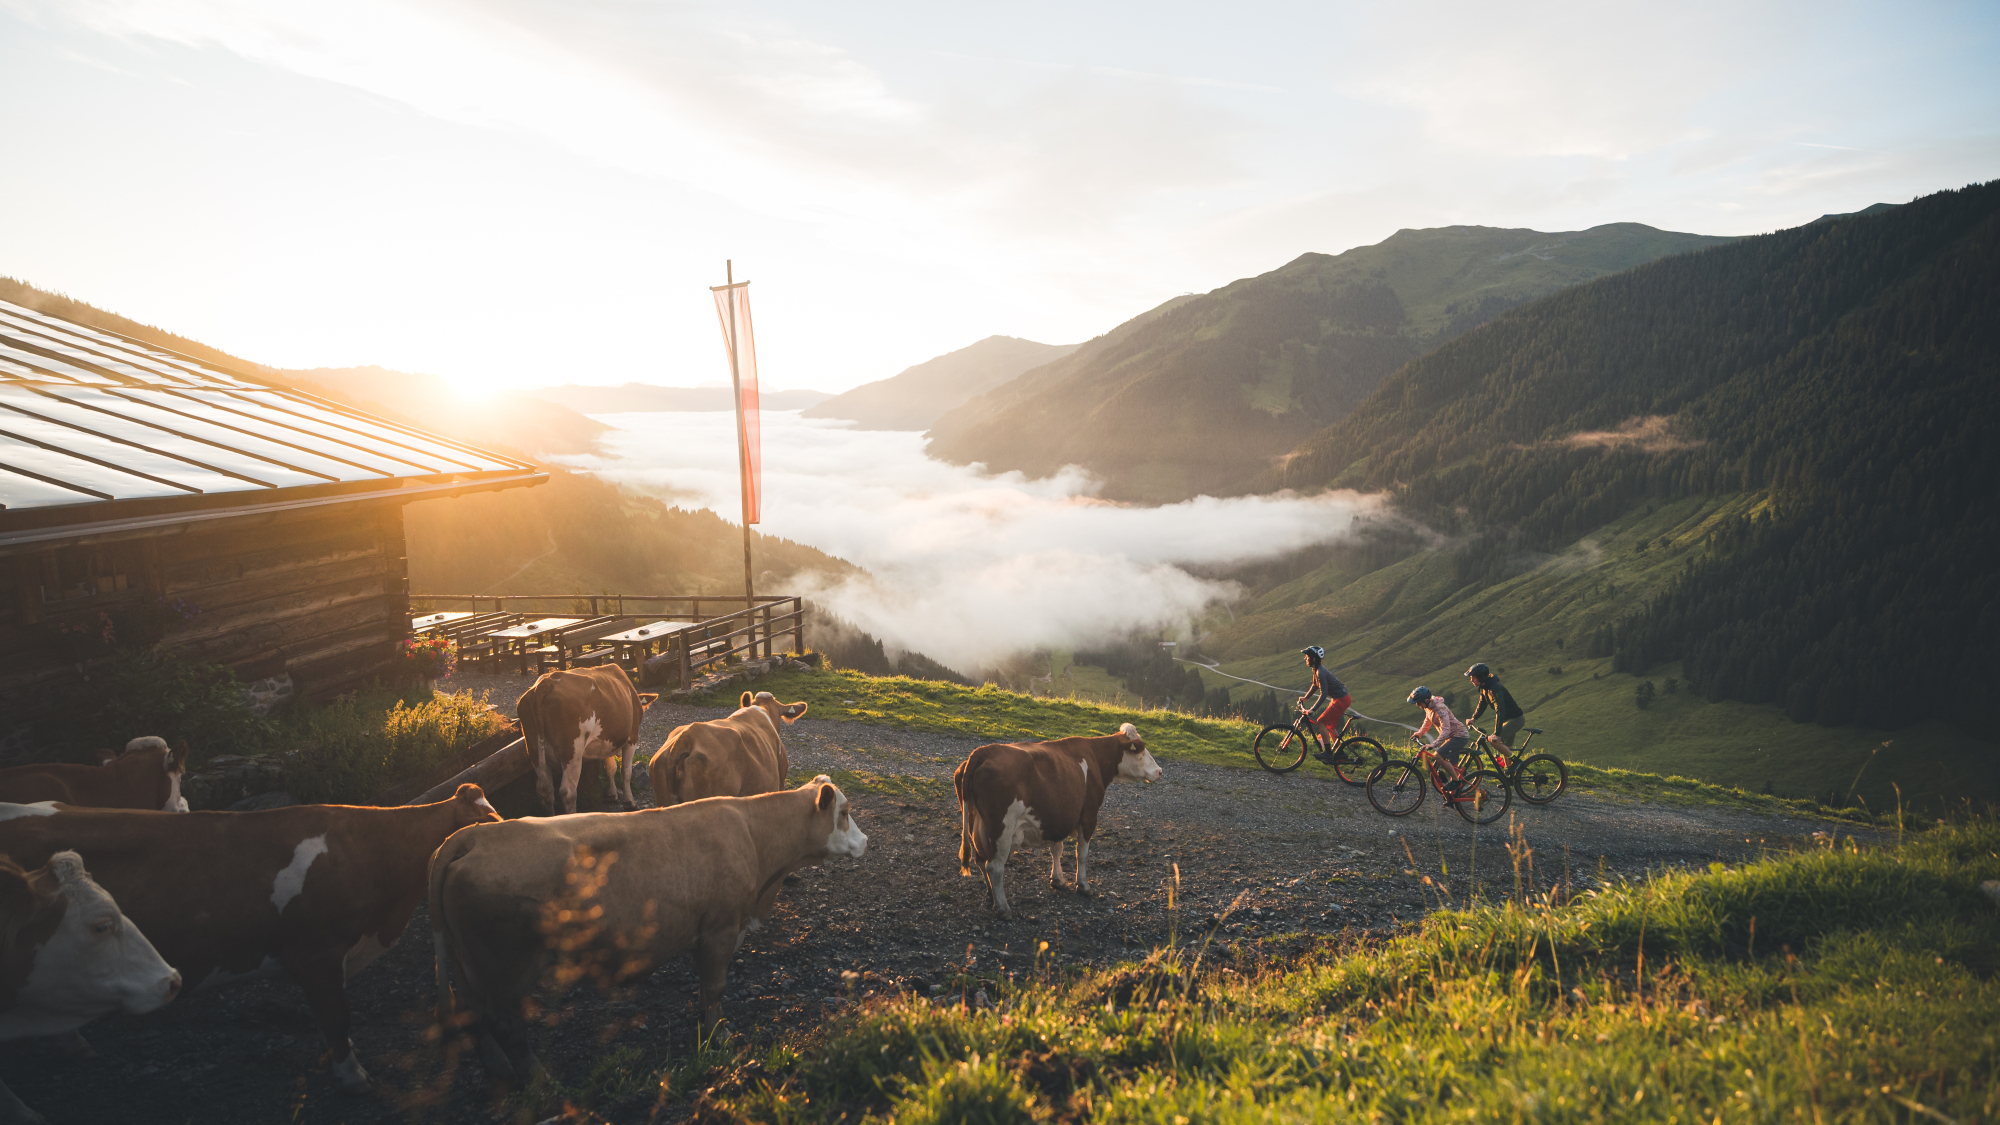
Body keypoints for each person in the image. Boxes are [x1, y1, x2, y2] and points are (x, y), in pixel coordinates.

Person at [1300, 646, 1352, 762]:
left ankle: (1328, 753)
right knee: (1330, 727)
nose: (1305, 658)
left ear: (1314, 658)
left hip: (1341, 700)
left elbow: (1323, 694)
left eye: (1307, 656)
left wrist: (1312, 709)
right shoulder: (1316, 669)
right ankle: (1341, 753)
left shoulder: (1320, 672)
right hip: (1339, 698)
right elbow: (1315, 685)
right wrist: (1305, 698)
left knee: (1321, 722)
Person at [1464, 663, 1525, 763]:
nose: (1471, 680)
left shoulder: (1495, 689)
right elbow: (1482, 704)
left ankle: (1518, 763)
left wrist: (1497, 734)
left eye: (1474, 677)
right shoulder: (1484, 687)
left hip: (1516, 719)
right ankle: (1511, 771)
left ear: (1481, 677)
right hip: (1507, 719)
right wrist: (1473, 719)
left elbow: (1500, 710)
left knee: (1495, 742)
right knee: (1505, 747)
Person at [1408, 685, 1471, 781]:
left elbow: (1446, 729)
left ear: (1426, 700)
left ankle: (1456, 781)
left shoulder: (1440, 709)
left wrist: (1434, 744)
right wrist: (1420, 733)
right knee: (1453, 764)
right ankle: (1458, 786)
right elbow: (1428, 721)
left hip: (1459, 736)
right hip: (1451, 737)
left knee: (1438, 755)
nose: (1418, 705)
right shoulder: (1428, 707)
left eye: (1419, 703)